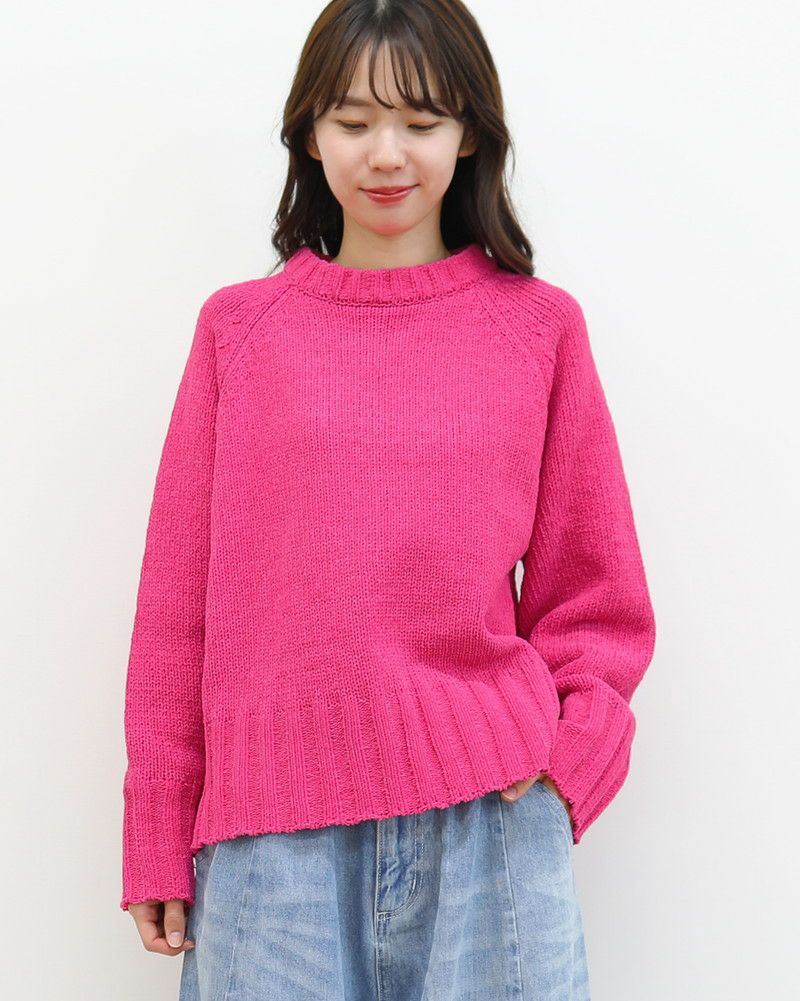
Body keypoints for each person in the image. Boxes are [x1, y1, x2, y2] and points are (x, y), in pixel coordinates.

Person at [119, 1, 657, 998]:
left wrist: (570, 758)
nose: (385, 153)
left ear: (469, 135)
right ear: (308, 134)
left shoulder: (538, 329)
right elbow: (177, 605)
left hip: (491, 821)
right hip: (268, 844)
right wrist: (158, 822)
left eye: (420, 120)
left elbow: (595, 591)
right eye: (354, 120)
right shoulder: (240, 333)